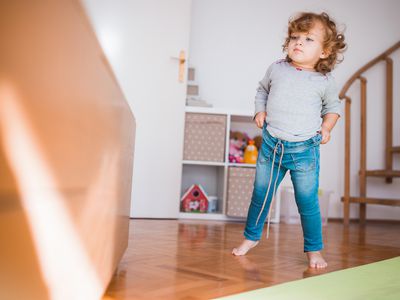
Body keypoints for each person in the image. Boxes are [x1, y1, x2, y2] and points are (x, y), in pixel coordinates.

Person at [232, 12, 346, 269]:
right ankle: (251, 238)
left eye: (308, 39)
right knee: (261, 194)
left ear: (325, 52)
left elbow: (333, 108)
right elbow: (262, 90)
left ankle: (314, 250)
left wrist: (326, 128)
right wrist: (259, 111)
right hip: (272, 145)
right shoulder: (276, 69)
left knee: (307, 201)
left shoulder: (324, 80)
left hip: (304, 150)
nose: (298, 42)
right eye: (295, 37)